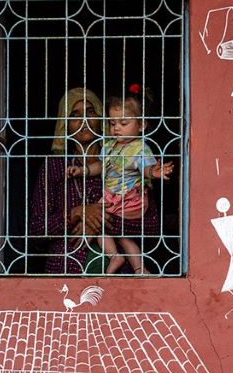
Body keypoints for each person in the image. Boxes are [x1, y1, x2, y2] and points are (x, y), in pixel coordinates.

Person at [27, 87, 161, 275]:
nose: (84, 119)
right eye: (74, 115)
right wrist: (75, 214)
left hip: (119, 276)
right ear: (65, 123)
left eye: (90, 112)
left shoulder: (128, 158)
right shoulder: (54, 166)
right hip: (66, 270)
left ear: (101, 118)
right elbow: (36, 230)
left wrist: (98, 223)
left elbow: (152, 226)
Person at [68, 85, 173, 274]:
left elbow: (146, 168)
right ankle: (136, 267)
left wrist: (154, 172)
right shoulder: (109, 146)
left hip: (129, 199)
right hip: (113, 198)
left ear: (141, 125)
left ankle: (118, 258)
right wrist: (83, 170)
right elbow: (100, 166)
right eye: (112, 123)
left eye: (123, 123)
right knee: (119, 235)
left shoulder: (140, 148)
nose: (116, 128)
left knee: (100, 224)